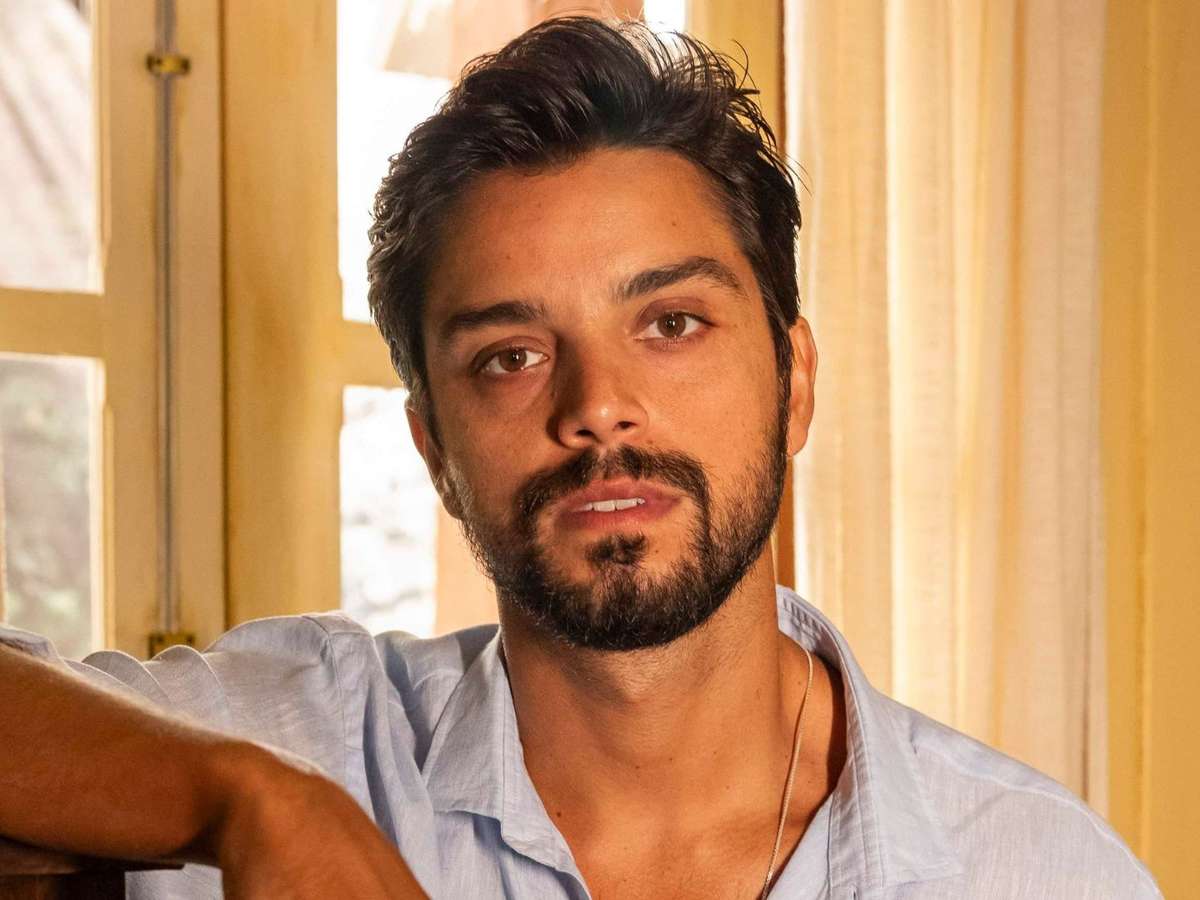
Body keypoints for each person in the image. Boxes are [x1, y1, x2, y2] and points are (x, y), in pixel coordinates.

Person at [0, 16, 1160, 900]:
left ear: (794, 382)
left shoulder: (1041, 872)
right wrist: (243, 801)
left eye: (672, 324)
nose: (599, 407)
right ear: (434, 448)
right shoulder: (301, 740)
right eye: (511, 355)